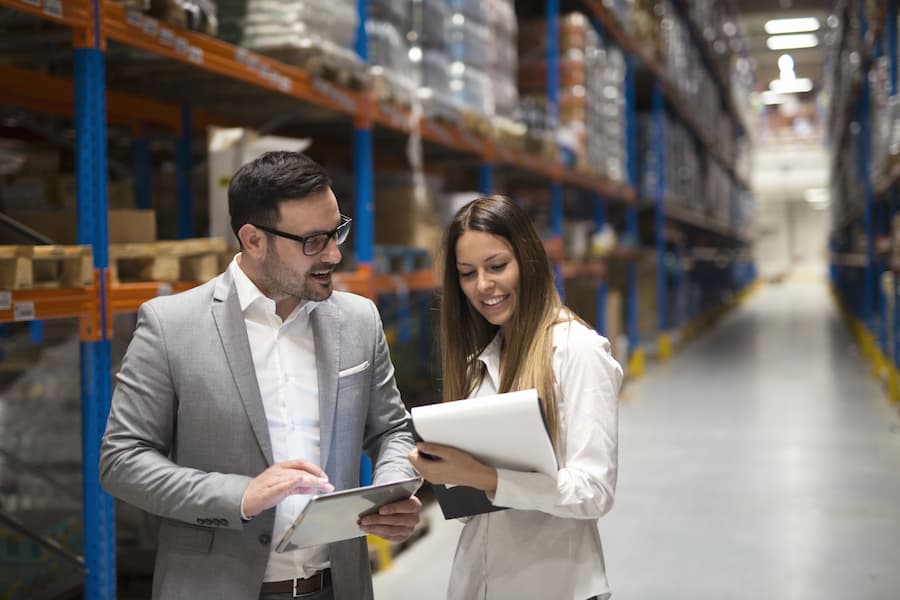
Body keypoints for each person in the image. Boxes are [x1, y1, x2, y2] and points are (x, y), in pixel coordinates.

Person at [100, 151, 421, 600]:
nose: (334, 253)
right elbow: (122, 460)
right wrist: (241, 496)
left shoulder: (358, 319)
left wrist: (389, 491)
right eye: (312, 241)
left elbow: (391, 429)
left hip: (336, 585)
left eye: (337, 231)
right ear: (253, 240)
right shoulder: (171, 326)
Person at [408, 195, 623, 600]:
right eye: (467, 273)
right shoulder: (481, 363)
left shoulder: (578, 351)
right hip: (479, 582)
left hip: (556, 586)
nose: (483, 286)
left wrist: (481, 476)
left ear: (529, 260)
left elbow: (593, 491)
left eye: (497, 266)